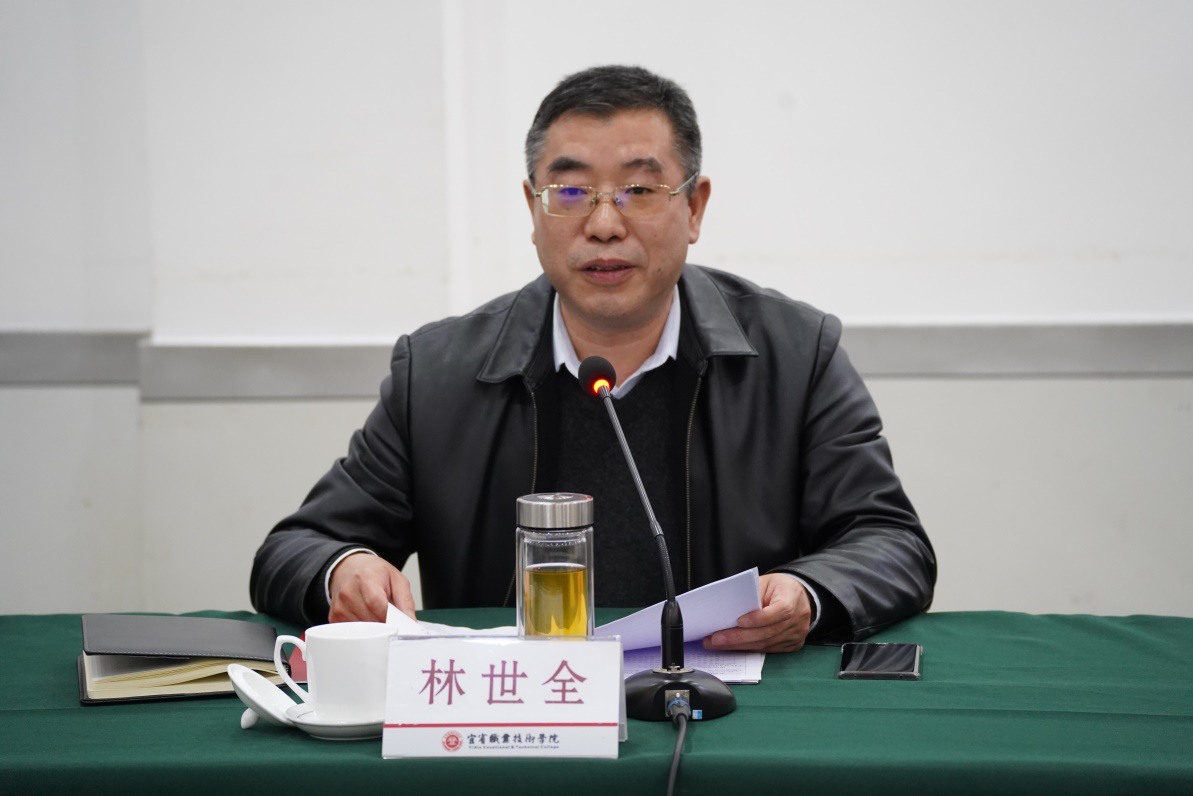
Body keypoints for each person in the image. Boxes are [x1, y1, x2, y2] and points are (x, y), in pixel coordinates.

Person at [250, 65, 935, 653]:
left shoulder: (795, 355)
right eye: (571, 192)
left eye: (639, 191)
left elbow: (889, 541)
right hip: (513, 714)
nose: (604, 224)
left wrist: (807, 593)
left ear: (694, 208)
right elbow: (297, 548)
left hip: (725, 708)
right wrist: (345, 568)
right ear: (533, 208)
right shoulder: (437, 374)